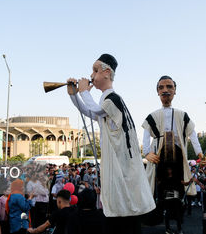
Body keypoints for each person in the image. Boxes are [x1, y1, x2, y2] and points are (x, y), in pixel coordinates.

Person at [66, 54, 155, 234]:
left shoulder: (113, 99)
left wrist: (83, 91)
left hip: (123, 170)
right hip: (118, 170)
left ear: (107, 73)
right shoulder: (106, 102)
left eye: (95, 70)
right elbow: (89, 112)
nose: (92, 74)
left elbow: (95, 109)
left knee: (125, 220)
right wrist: (74, 95)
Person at [142, 75, 205, 233]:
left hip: (178, 160)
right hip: (159, 161)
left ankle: (177, 224)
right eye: (161, 87)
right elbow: (145, 139)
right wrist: (147, 154)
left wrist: (200, 154)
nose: (165, 90)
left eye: (169, 87)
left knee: (178, 199)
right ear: (157, 91)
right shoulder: (153, 116)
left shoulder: (182, 115)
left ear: (175, 90)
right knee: (157, 193)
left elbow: (193, 135)